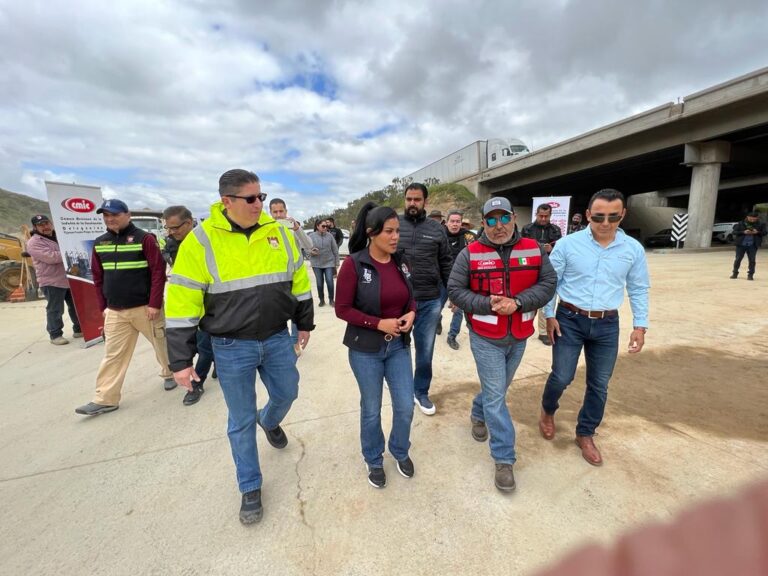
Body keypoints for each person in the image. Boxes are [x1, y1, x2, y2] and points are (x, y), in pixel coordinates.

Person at [165, 169, 314, 525]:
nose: (259, 204)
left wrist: (304, 323)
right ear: (226, 201)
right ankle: (249, 485)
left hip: (278, 338)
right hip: (231, 347)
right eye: (251, 198)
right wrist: (181, 360)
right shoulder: (200, 242)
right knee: (241, 420)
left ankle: (271, 420)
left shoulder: (278, 232)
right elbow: (182, 301)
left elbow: (298, 278)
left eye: (261, 196)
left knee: (288, 393)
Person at [448, 197, 556, 492]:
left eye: (504, 218)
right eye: (491, 220)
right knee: (497, 396)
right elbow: (455, 290)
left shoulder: (533, 249)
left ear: (513, 218)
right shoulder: (469, 254)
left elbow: (548, 284)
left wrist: (518, 303)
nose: (499, 226)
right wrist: (489, 305)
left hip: (519, 336)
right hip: (485, 338)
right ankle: (504, 458)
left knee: (497, 389)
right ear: (483, 223)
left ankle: (476, 411)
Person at [540, 189, 650, 466]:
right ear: (588, 214)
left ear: (622, 215)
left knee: (599, 384)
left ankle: (585, 433)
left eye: (613, 217)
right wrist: (549, 316)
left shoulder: (632, 250)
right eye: (599, 216)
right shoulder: (568, 245)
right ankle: (547, 410)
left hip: (607, 324)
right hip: (569, 319)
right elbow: (551, 282)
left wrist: (640, 325)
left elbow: (638, 288)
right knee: (562, 376)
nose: (605, 223)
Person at [335, 202, 417, 488]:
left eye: (398, 231)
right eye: (389, 232)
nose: (396, 237)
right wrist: (377, 323)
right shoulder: (353, 264)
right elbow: (342, 309)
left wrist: (411, 314)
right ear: (371, 233)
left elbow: (411, 298)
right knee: (371, 408)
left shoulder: (402, 261)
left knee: (406, 405)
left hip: (398, 348)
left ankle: (400, 450)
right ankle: (373, 458)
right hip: (365, 350)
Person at [75, 199, 175, 416]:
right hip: (115, 311)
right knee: (112, 355)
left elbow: (158, 273)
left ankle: (170, 374)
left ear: (127, 215)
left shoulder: (144, 239)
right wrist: (104, 307)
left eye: (115, 215)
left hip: (146, 308)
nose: (110, 219)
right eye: (106, 216)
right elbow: (98, 277)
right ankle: (105, 398)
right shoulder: (100, 243)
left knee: (161, 345)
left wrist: (154, 304)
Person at [397, 183, 453, 415]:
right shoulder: (394, 226)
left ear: (425, 202)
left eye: (417, 200)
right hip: (398, 301)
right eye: (409, 199)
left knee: (425, 351)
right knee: (397, 350)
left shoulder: (437, 229)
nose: (412, 203)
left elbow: (446, 262)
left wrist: (451, 293)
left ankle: (420, 392)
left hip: (430, 300)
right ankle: (401, 391)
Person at [162, 205, 214, 406]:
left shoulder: (206, 242)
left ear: (190, 222)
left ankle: (196, 382)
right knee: (202, 346)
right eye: (169, 228)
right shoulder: (173, 244)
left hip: (208, 308)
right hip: (186, 307)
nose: (172, 232)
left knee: (205, 347)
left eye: (176, 227)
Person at [26, 214, 82, 345]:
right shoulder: (34, 242)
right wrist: (70, 251)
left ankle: (78, 329)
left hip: (69, 278)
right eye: (41, 225)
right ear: (35, 227)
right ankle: (55, 334)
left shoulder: (59, 235)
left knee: (75, 306)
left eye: (46, 223)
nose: (45, 227)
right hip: (51, 281)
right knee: (56, 309)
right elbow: (51, 258)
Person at [522, 203, 563, 346]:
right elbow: (520, 248)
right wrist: (536, 248)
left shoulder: (556, 230)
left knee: (544, 299)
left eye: (546, 216)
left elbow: (560, 251)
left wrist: (551, 249)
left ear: (551, 215)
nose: (543, 218)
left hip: (548, 268)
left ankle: (543, 332)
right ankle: (523, 327)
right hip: (529, 267)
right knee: (527, 297)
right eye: (541, 216)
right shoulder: (527, 229)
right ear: (536, 214)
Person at [444, 210, 476, 350]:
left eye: (458, 221)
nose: (455, 224)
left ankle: (452, 335)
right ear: (446, 222)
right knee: (434, 309)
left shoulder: (469, 237)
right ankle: (437, 321)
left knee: (458, 310)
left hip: (461, 280)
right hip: (441, 278)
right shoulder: (439, 235)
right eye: (452, 221)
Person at [308, 219, 339, 306]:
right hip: (316, 264)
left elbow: (335, 249)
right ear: (317, 226)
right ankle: (321, 300)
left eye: (327, 226)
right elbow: (306, 248)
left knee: (330, 281)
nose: (325, 228)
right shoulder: (311, 236)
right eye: (323, 226)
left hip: (329, 262)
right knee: (319, 283)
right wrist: (311, 252)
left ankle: (331, 300)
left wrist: (336, 263)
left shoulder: (330, 236)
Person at [730, 211, 766, 281]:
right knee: (738, 259)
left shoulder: (761, 224)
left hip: (752, 245)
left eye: (754, 219)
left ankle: (750, 275)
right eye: (751, 218)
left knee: (752, 260)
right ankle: (735, 273)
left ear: (757, 218)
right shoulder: (741, 223)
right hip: (741, 245)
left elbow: (765, 232)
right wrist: (743, 232)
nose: (752, 220)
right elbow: (734, 232)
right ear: (747, 217)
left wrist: (757, 232)